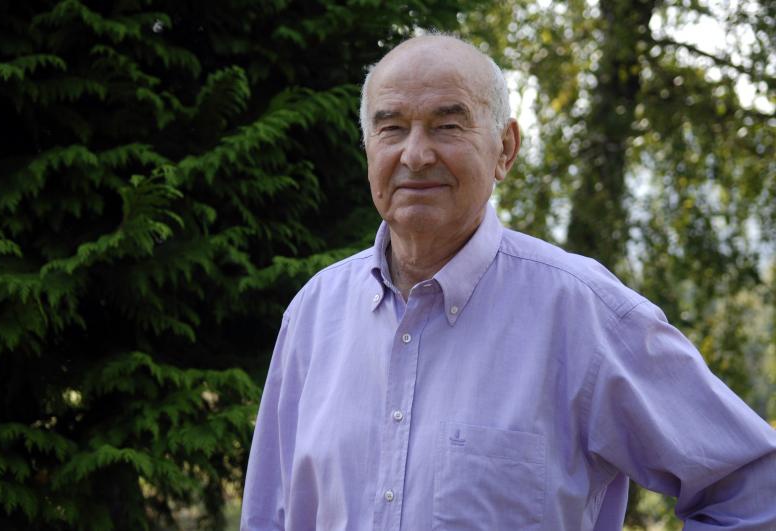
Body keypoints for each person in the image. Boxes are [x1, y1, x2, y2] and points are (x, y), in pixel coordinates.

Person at [240, 34, 776, 530]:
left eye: (448, 126)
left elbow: (756, 489)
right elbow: (268, 516)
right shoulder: (314, 314)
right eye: (392, 128)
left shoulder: (584, 314)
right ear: (369, 148)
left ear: (505, 149)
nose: (416, 154)